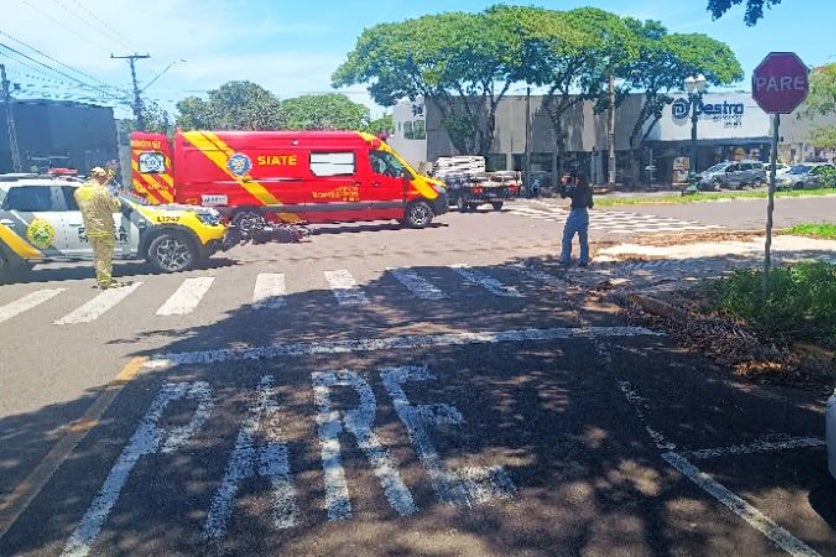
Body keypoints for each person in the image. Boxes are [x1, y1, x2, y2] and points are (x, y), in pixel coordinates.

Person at [74, 167, 123, 289]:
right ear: (99, 176)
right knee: (104, 257)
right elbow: (115, 207)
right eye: (104, 177)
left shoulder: (79, 191)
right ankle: (105, 282)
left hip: (90, 229)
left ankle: (103, 278)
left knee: (98, 256)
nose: (106, 179)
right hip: (104, 228)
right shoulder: (102, 191)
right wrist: (115, 195)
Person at [558, 171, 594, 267]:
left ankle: (566, 258)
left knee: (567, 236)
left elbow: (563, 195)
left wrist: (564, 184)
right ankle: (584, 259)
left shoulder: (575, 189)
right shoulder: (589, 189)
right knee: (583, 238)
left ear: (578, 179)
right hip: (584, 213)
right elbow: (591, 204)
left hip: (575, 213)